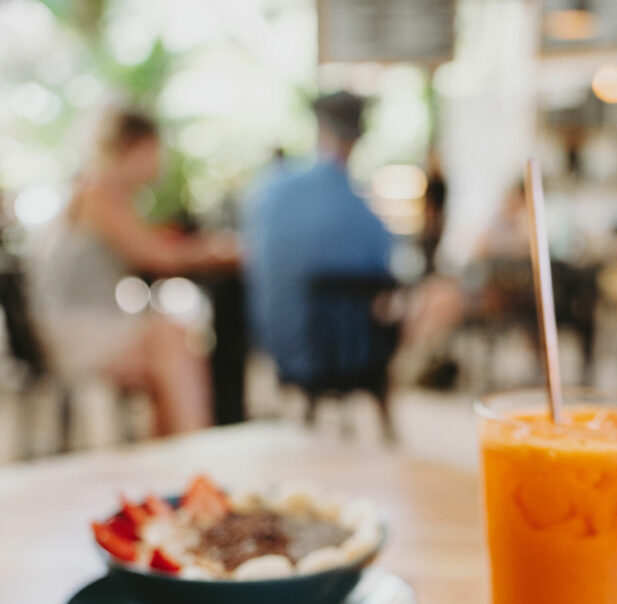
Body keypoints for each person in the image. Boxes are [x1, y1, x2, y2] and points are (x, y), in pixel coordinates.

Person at [29, 105, 238, 434]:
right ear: (137, 147)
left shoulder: (99, 193)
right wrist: (219, 251)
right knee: (172, 338)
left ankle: (169, 462)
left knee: (167, 348)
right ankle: (194, 452)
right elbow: (157, 256)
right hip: (71, 331)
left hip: (74, 324)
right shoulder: (97, 192)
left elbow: (145, 244)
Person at [241, 91, 392, 386]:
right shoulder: (363, 210)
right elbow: (385, 274)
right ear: (360, 137)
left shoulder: (271, 190)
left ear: (320, 128)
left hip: (276, 345)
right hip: (352, 355)